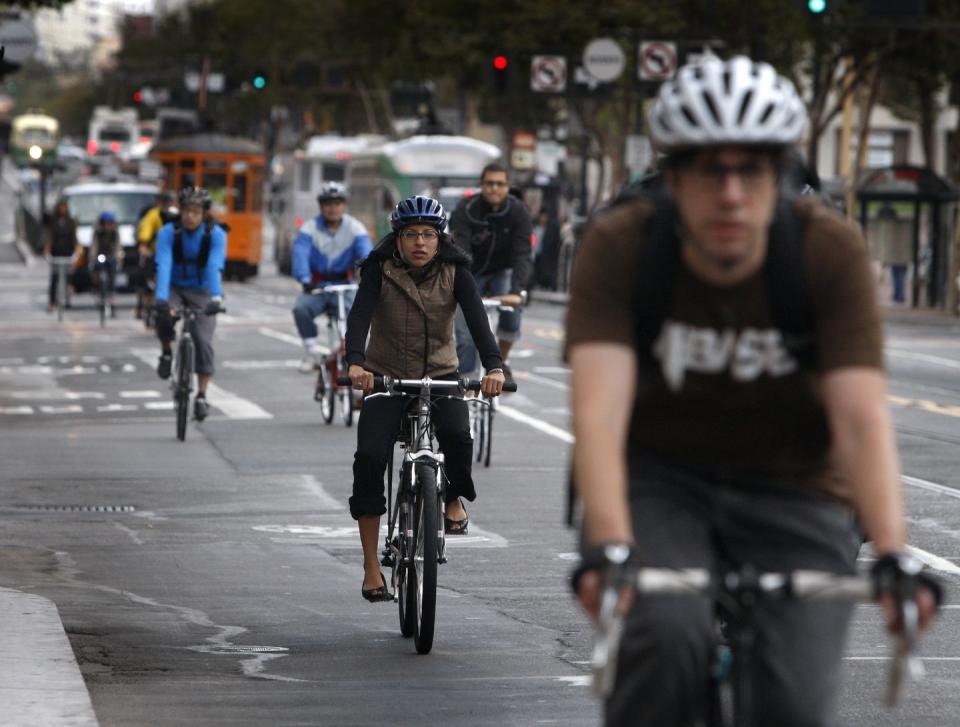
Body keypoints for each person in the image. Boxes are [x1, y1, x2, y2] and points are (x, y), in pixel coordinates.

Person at [565, 55, 941, 727]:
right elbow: (598, 414)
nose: (733, 194)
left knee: (793, 702)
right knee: (665, 635)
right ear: (672, 176)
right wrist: (612, 547)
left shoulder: (828, 251)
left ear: (783, 175)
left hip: (798, 486)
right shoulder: (621, 245)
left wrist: (892, 552)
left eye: (754, 170)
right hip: (659, 479)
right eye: (711, 169)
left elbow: (860, 420)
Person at [344, 195, 506, 601]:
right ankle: (370, 568)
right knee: (369, 459)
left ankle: (453, 500)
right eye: (411, 234)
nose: (420, 242)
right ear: (397, 239)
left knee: (457, 435)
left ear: (440, 239)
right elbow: (359, 316)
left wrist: (495, 367)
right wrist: (355, 364)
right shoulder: (378, 271)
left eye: (428, 235)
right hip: (386, 378)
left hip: (439, 375)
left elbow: (478, 321)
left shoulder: (456, 273)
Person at [449, 162, 533, 382]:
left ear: (508, 186)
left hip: (502, 271)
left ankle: (501, 363)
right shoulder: (465, 209)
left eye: (499, 184)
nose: (494, 188)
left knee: (512, 317)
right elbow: (460, 252)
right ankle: (466, 381)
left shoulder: (519, 212)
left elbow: (523, 254)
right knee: (466, 333)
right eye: (489, 184)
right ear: (481, 185)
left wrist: (517, 291)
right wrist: (466, 292)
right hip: (470, 272)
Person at [154, 186, 227, 422]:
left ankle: (202, 395)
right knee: (164, 316)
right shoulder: (168, 232)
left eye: (196, 211)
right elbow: (163, 264)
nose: (189, 216)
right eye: (186, 210)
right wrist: (162, 299)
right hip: (174, 286)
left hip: (203, 290)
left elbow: (214, 266)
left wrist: (216, 297)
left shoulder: (216, 235)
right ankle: (166, 352)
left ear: (204, 213)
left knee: (203, 341)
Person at [291, 181, 372, 373]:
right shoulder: (309, 228)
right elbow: (300, 254)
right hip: (316, 285)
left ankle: (352, 354)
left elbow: (366, 255)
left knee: (357, 315)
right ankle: (310, 352)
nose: (333, 208)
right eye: (328, 203)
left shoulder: (355, 228)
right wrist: (304, 279)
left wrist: (369, 274)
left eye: (337, 203)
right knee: (300, 309)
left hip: (345, 284)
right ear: (321, 206)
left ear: (344, 205)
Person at [136, 191, 177, 320]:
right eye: (167, 202)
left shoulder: (179, 215)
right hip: (154, 252)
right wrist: (144, 247)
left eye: (172, 202)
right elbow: (144, 236)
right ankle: (144, 301)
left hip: (174, 254)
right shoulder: (153, 215)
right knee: (148, 279)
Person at [43, 200, 80, 312]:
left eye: (64, 208)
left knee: (69, 275)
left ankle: (68, 296)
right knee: (54, 277)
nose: (62, 210)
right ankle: (52, 302)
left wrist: (77, 250)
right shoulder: (53, 222)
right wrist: (47, 249)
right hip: (56, 251)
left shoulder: (71, 222)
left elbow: (74, 238)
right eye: (60, 208)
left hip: (68, 251)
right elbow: (50, 237)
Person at [89, 211, 121, 310]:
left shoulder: (115, 233)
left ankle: (111, 295)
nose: (107, 226)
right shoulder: (97, 232)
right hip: (100, 255)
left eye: (109, 223)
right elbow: (94, 246)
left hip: (110, 255)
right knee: (97, 267)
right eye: (105, 223)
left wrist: (118, 256)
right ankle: (98, 288)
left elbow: (117, 246)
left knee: (112, 272)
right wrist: (92, 257)